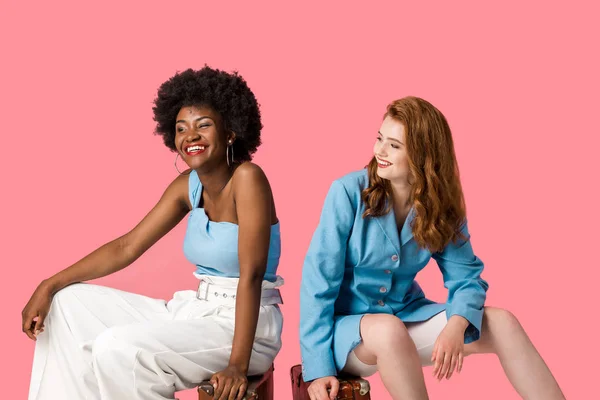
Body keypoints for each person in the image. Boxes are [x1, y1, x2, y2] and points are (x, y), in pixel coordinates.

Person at [22, 67, 283, 400]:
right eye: (181, 128)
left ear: (230, 132)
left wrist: (236, 365)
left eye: (203, 125)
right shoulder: (187, 186)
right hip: (195, 310)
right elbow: (127, 246)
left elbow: (252, 275)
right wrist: (49, 284)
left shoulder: (248, 179)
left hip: (246, 327)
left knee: (118, 349)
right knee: (66, 306)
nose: (191, 136)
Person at [299, 97, 564, 400]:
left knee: (503, 322)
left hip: (405, 319)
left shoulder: (440, 206)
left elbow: (467, 278)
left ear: (422, 155)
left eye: (394, 146)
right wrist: (318, 369)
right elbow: (317, 283)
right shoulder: (347, 192)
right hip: (348, 334)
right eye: (379, 138)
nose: (379, 151)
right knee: (387, 330)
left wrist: (456, 324)